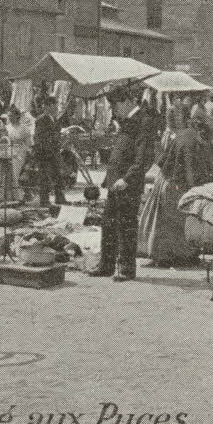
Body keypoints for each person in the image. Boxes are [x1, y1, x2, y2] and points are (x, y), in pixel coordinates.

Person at [89, 86, 159, 282]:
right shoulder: (126, 121)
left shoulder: (143, 121)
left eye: (115, 105)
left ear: (127, 101)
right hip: (115, 182)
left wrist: (127, 179)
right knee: (108, 223)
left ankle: (127, 269)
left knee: (126, 226)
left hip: (128, 183)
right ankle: (106, 265)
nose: (114, 110)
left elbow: (144, 158)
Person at [139, 117, 213, 268]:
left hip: (168, 179)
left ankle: (175, 254)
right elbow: (189, 170)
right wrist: (195, 190)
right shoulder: (190, 143)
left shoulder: (187, 135)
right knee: (172, 221)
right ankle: (168, 256)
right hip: (173, 183)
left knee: (169, 220)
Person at [30, 97, 67, 206]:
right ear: (47, 106)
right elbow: (40, 138)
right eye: (54, 105)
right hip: (45, 153)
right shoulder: (41, 119)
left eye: (56, 105)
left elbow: (56, 134)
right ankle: (44, 201)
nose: (56, 107)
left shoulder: (54, 118)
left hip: (54, 151)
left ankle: (60, 198)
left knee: (58, 175)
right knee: (45, 177)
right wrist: (47, 150)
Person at [5, 105, 35, 200]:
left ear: (17, 116)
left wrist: (26, 155)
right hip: (8, 151)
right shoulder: (7, 127)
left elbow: (28, 144)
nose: (10, 118)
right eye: (8, 116)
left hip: (20, 153)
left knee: (14, 174)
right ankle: (10, 197)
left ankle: (19, 197)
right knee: (7, 174)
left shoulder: (24, 128)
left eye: (12, 116)